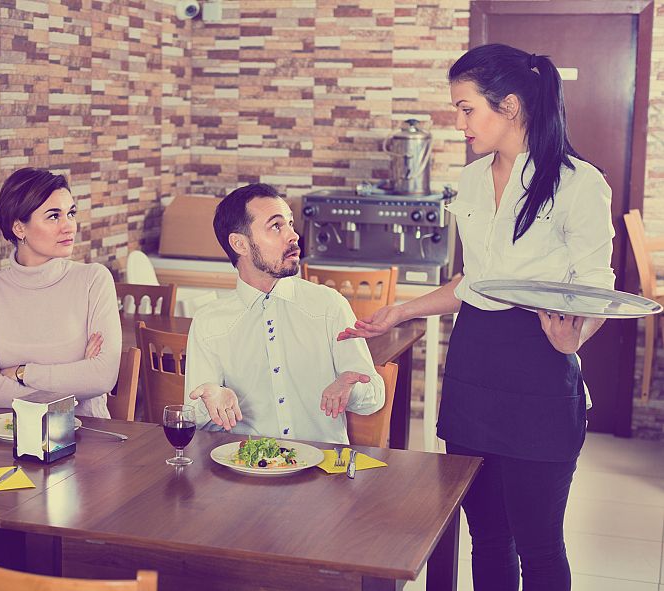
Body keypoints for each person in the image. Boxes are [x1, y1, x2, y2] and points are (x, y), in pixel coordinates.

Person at [340, 44, 615, 591]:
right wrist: (402, 311)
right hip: (474, 365)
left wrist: (573, 337)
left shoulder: (578, 183)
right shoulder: (469, 181)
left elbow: (597, 288)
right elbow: (474, 283)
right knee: (486, 536)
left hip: (540, 363)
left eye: (466, 109)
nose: (458, 122)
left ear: (509, 106)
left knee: (538, 545)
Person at [184, 183, 385, 444]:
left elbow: (374, 397)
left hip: (322, 473)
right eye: (277, 226)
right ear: (240, 244)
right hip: (246, 472)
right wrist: (211, 400)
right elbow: (195, 417)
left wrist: (351, 389)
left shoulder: (329, 305)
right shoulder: (209, 322)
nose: (293, 236)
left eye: (290, 223)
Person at [0, 167, 121, 416]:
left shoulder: (93, 280)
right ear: (19, 228)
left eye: (70, 213)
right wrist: (75, 378)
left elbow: (102, 377)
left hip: (89, 439)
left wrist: (21, 373)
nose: (68, 226)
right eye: (53, 216)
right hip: (7, 438)